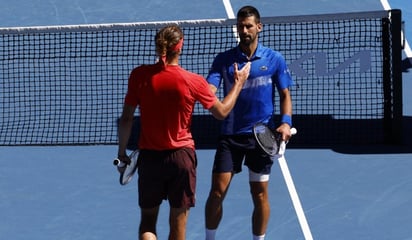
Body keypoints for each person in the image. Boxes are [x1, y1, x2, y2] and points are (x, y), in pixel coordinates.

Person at [117, 24, 251, 240]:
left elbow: (126, 119)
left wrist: (122, 153)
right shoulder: (193, 81)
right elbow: (222, 112)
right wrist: (238, 84)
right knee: (178, 227)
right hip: (181, 159)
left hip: (150, 160)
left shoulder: (139, 76)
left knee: (148, 223)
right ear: (180, 47)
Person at [204, 6, 294, 240]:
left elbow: (285, 94)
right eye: (240, 26)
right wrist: (210, 94)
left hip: (261, 138)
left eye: (248, 26)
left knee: (260, 195)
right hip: (230, 137)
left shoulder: (274, 59)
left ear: (259, 27)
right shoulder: (224, 60)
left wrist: (285, 123)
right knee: (217, 192)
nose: (244, 30)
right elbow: (210, 89)